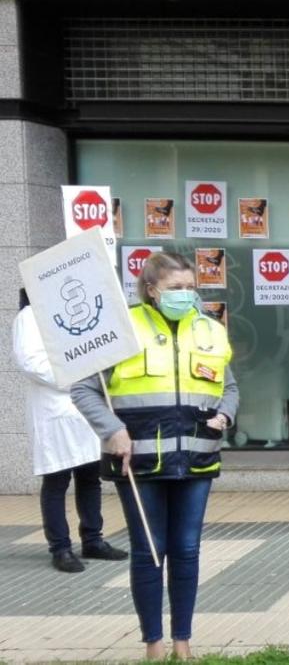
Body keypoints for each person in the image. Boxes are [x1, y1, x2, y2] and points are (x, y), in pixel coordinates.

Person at [71, 251, 237, 660]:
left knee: (187, 549)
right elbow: (84, 388)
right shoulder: (122, 328)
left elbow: (229, 387)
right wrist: (112, 431)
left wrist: (226, 414)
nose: (186, 295)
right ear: (151, 290)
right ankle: (153, 645)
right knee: (149, 549)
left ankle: (183, 641)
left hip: (198, 458)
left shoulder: (210, 329)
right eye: (175, 288)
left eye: (191, 287)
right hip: (138, 460)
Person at [12, 289, 128, 573]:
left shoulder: (79, 310)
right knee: (57, 481)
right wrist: (78, 380)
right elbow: (31, 362)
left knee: (90, 478)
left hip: (86, 409)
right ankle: (60, 548)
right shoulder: (30, 317)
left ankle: (93, 539)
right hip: (55, 410)